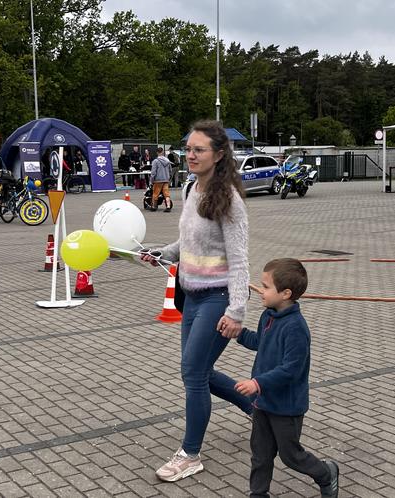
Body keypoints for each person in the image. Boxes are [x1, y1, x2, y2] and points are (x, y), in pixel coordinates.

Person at [141, 120, 253, 482]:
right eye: (188, 149)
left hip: (218, 300)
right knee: (198, 371)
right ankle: (253, 405)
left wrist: (236, 311)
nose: (190, 155)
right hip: (189, 296)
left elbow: (239, 260)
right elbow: (187, 244)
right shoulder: (190, 189)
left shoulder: (229, 201)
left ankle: (190, 454)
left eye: (199, 149)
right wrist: (163, 252)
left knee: (192, 373)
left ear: (219, 155)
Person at [233, 258, 339, 498]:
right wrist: (239, 333)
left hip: (286, 406)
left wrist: (256, 383)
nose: (261, 290)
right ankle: (258, 494)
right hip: (263, 402)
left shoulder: (296, 328)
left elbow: (291, 369)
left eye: (266, 286)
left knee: (291, 456)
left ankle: (326, 473)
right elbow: (260, 343)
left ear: (286, 293)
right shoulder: (268, 316)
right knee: (260, 453)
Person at [149, 147, 173, 212]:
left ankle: (154, 206)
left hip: (158, 180)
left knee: (155, 193)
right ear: (162, 152)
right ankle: (168, 206)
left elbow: (153, 172)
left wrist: (151, 181)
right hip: (166, 180)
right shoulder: (167, 161)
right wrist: (169, 178)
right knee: (166, 194)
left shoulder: (155, 161)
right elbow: (170, 171)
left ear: (157, 152)